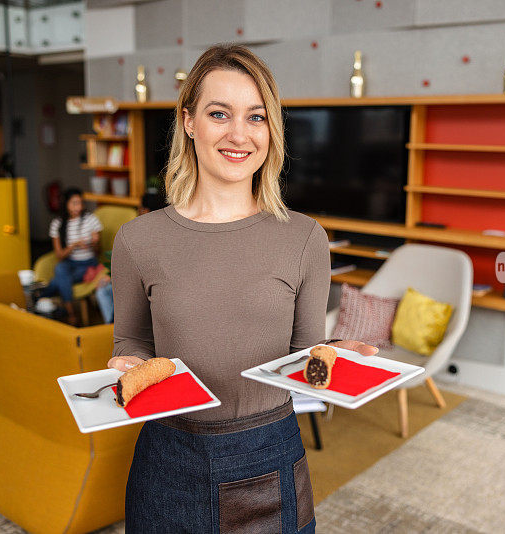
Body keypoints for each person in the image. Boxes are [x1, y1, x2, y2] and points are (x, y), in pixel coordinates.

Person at [107, 44, 378, 533]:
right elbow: (131, 342)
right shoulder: (137, 240)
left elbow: (303, 354)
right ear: (189, 122)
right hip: (167, 460)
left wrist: (338, 355)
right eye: (219, 114)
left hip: (269, 456)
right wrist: (125, 365)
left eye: (256, 117)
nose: (239, 135)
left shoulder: (305, 238)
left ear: (271, 130)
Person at [93, 192, 167, 324]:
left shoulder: (143, 234)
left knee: (106, 292)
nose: (139, 212)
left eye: (140, 209)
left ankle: (115, 327)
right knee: (104, 291)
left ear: (145, 210)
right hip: (145, 284)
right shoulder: (160, 230)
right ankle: (113, 326)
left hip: (146, 286)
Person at [38, 187, 103, 326]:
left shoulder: (91, 220)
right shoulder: (57, 224)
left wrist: (95, 243)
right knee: (61, 268)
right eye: (74, 203)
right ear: (66, 204)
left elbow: (98, 251)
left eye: (80, 203)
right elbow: (59, 255)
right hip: (69, 262)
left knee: (60, 278)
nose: (78, 207)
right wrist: (73, 246)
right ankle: (71, 312)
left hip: (88, 263)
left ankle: (41, 298)